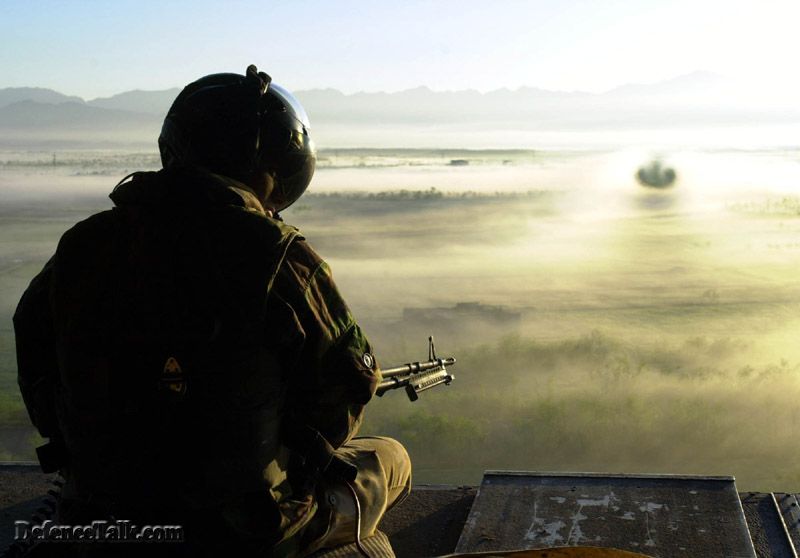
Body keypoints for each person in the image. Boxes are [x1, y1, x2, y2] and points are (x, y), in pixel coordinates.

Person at [14, 65, 411, 557]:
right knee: (392, 459)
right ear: (272, 165)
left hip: (101, 518)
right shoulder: (279, 255)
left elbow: (35, 364)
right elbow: (349, 386)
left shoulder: (83, 245)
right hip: (244, 533)